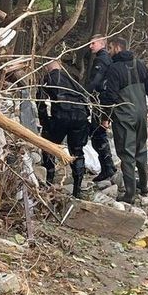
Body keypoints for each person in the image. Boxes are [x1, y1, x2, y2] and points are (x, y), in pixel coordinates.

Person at [100, 37, 148, 204]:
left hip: (124, 115)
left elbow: (109, 96)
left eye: (110, 48)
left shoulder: (114, 69)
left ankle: (130, 194)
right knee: (141, 149)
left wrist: (105, 117)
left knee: (127, 153)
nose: (108, 51)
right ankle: (144, 186)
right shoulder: (139, 64)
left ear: (118, 48)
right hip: (141, 113)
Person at [37, 60, 89, 198]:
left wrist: (45, 122)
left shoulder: (46, 79)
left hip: (61, 115)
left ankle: (49, 180)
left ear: (47, 68)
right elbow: (85, 98)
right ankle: (77, 189)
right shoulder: (73, 80)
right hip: (80, 116)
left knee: (49, 146)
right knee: (77, 151)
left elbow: (40, 103)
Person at [85, 35, 117, 183]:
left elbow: (96, 80)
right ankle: (108, 167)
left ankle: (107, 168)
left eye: (93, 43)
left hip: (101, 101)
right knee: (98, 132)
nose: (90, 46)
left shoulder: (101, 59)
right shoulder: (105, 58)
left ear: (101, 44)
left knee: (98, 134)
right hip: (103, 101)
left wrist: (84, 94)